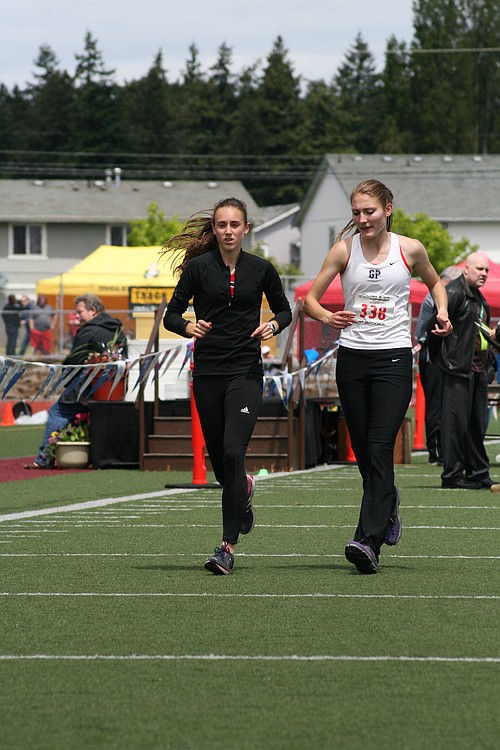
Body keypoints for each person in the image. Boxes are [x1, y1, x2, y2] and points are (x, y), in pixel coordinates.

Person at [304, 179, 452, 574]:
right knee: (365, 454)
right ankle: (388, 504)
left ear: (387, 208)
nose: (362, 219)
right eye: (356, 213)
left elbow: (436, 282)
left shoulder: (410, 249)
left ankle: (367, 540)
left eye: (369, 211)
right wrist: (328, 317)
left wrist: (442, 311)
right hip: (353, 359)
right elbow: (309, 302)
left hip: (393, 361)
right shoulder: (343, 251)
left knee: (380, 445)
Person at [162, 197, 292, 575]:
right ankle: (244, 491)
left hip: (246, 372)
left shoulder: (262, 269)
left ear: (246, 228)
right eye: (222, 225)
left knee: (235, 451)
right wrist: (189, 327)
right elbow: (172, 313)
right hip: (208, 372)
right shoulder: (199, 268)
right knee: (221, 464)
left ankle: (226, 547)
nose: (229, 230)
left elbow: (284, 309)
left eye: (235, 224)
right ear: (215, 229)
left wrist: (273, 326)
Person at [27, 294, 128, 469]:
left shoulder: (88, 330)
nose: (77, 316)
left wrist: (66, 381)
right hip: (114, 388)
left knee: (57, 412)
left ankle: (45, 458)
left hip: (86, 388)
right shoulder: (118, 329)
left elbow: (74, 361)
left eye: (80, 312)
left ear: (93, 310)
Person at [430, 253, 497, 490]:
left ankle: (478, 472)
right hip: (457, 370)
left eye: (486, 270)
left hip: (477, 370)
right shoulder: (454, 292)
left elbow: (480, 334)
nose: (484, 273)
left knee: (476, 424)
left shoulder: (478, 298)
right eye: (479, 269)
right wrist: (444, 361)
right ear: (465, 269)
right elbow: (434, 328)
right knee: (455, 425)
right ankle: (452, 475)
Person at [414, 266, 462, 465]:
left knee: (443, 403)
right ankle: (435, 451)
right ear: (446, 282)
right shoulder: (435, 298)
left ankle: (445, 449)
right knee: (435, 403)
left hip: (441, 352)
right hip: (431, 352)